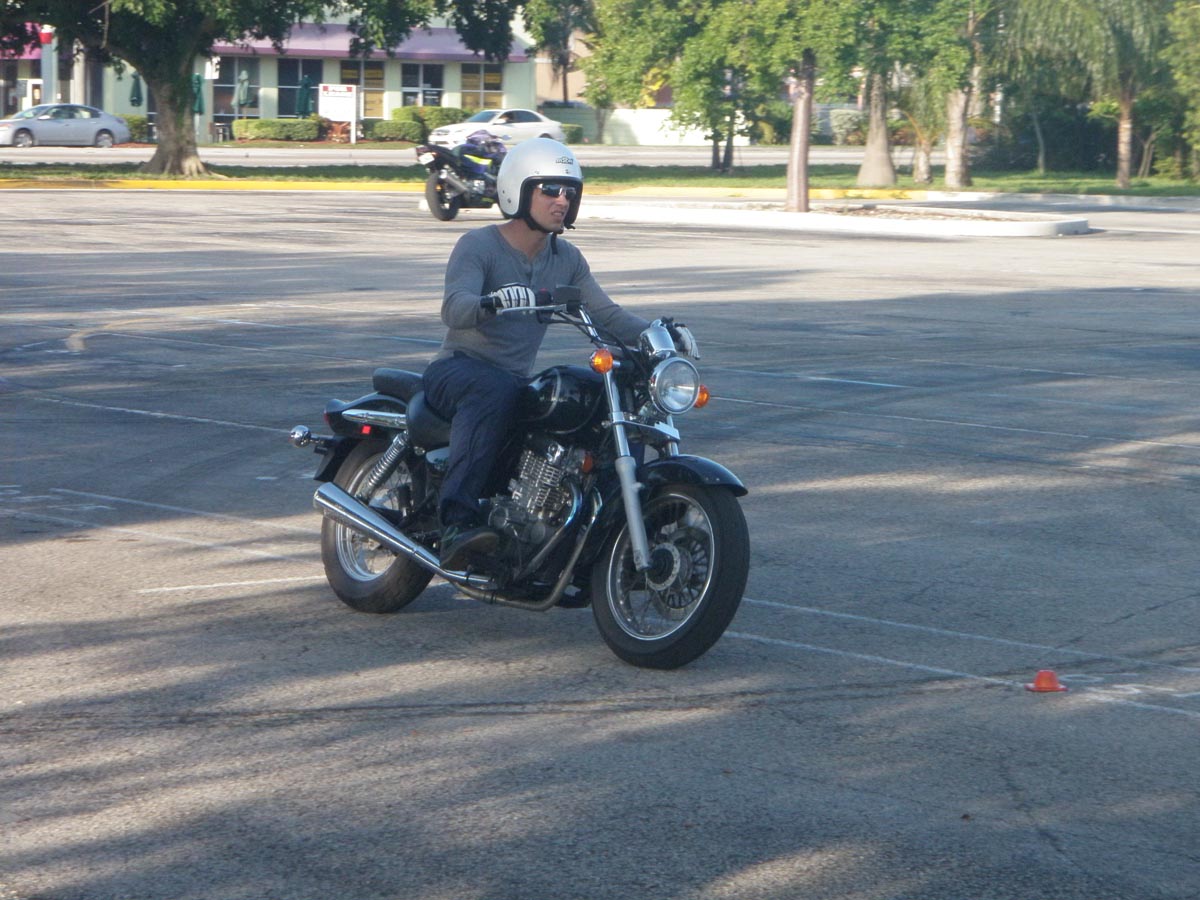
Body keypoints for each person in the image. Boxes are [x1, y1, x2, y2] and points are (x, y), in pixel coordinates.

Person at [422, 138, 694, 569]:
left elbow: (607, 314)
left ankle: (592, 529)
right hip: (459, 369)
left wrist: (660, 334)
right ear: (518, 190)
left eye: (570, 192)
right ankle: (457, 520)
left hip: (513, 381)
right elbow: (454, 308)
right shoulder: (478, 245)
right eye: (550, 189)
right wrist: (491, 302)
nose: (562, 200)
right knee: (494, 389)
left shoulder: (566, 258)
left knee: (597, 398)